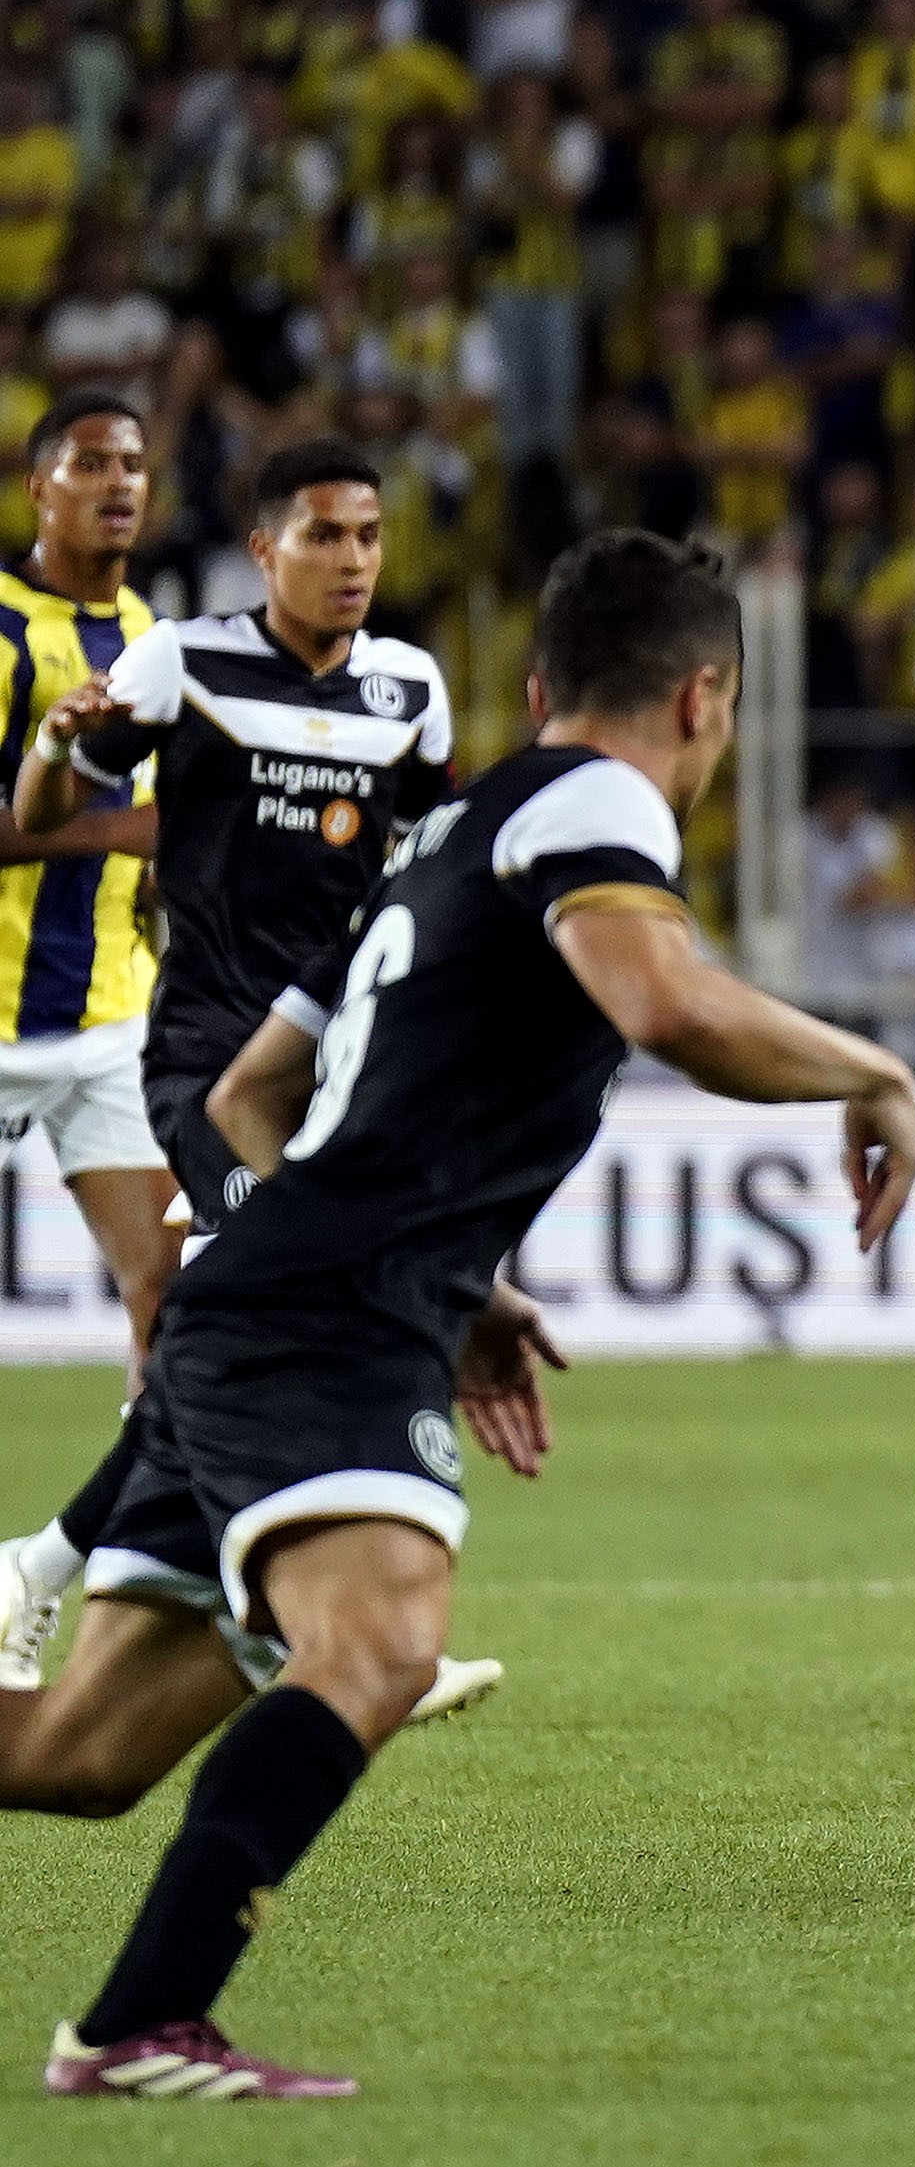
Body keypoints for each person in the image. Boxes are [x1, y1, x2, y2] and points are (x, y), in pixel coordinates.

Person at [12, 528, 915, 2101]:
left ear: (532, 680)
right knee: (378, 1646)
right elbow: (664, 1002)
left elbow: (253, 1095)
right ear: (709, 697)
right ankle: (132, 2030)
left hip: (286, 1290)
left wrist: (463, 1281)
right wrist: (877, 1069)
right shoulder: (597, 803)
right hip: (323, 1315)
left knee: (72, 1757)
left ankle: (131, 2030)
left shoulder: (445, 833)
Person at [5, 438, 499, 1725]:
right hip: (210, 1058)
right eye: (326, 537)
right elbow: (52, 810)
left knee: (215, 1332)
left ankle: (38, 1570)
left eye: (371, 537)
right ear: (265, 548)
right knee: (288, 1305)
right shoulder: (184, 661)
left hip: (335, 1067)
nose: (353, 562)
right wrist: (61, 745)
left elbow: (422, 863)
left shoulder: (410, 690)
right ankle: (306, 1620)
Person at [0, 394, 172, 1508]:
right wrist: (119, 828)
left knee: (171, 1291)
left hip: (110, 1018)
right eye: (91, 463)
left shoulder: (152, 637)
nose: (119, 483)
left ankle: (133, 1559)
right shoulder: (4, 633)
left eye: (135, 465)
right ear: (39, 489)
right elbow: (126, 822)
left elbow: (155, 835)